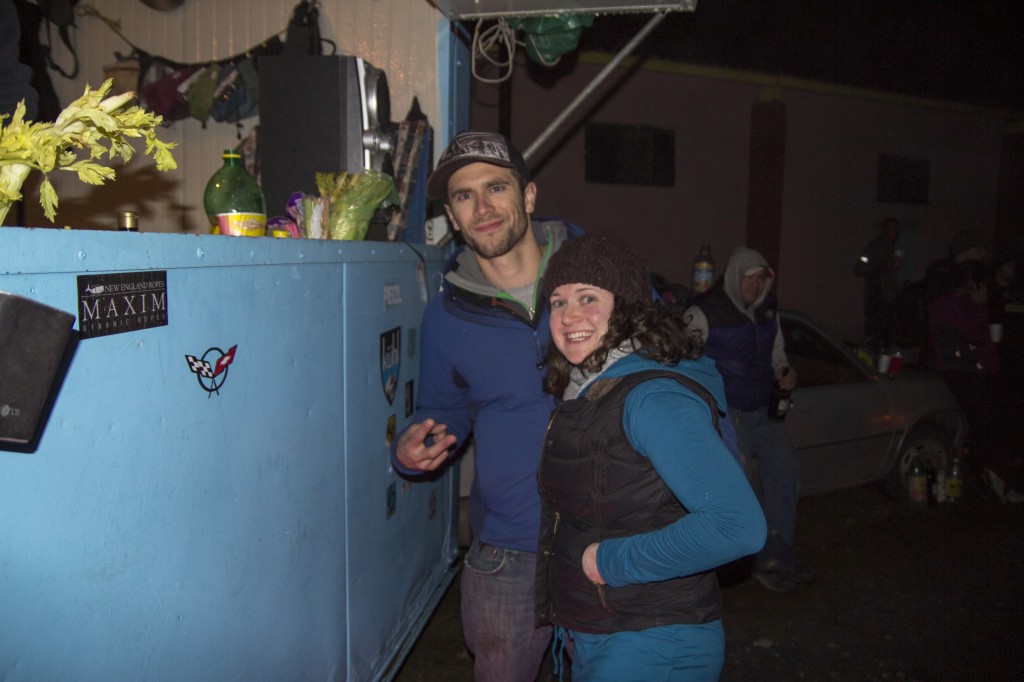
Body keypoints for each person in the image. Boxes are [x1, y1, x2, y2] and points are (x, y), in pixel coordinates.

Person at [390, 130, 584, 681]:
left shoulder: (597, 277)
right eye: (463, 196)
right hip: (508, 551)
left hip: (608, 536)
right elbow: (444, 411)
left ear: (528, 196)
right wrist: (412, 449)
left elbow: (673, 369)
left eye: (496, 187)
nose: (482, 207)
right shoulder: (447, 317)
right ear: (452, 216)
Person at [535, 232, 766, 680]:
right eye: (558, 302)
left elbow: (737, 526)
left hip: (653, 643)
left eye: (588, 297)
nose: (569, 316)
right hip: (603, 632)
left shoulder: (651, 398)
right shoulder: (589, 388)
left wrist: (608, 562)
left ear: (627, 308)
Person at [684, 247, 814, 593]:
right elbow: (680, 361)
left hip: (764, 410)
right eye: (750, 278)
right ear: (734, 276)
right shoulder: (704, 311)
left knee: (786, 473)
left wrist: (785, 372)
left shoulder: (769, 311)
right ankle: (748, 561)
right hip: (728, 415)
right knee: (744, 486)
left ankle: (780, 555)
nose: (756, 286)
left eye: (761, 279)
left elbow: (777, 353)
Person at [929, 259, 1023, 502]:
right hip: (958, 370)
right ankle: (992, 480)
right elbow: (977, 336)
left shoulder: (964, 304)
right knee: (988, 420)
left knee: (1003, 413)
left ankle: (998, 478)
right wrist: (981, 308)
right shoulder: (951, 306)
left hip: (973, 370)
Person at [854, 217, 903, 352]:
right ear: (884, 231)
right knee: (873, 338)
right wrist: (882, 265)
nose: (895, 233)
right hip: (876, 301)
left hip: (889, 301)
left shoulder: (893, 250)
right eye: (892, 229)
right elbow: (859, 267)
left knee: (887, 339)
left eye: (897, 230)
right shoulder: (875, 248)